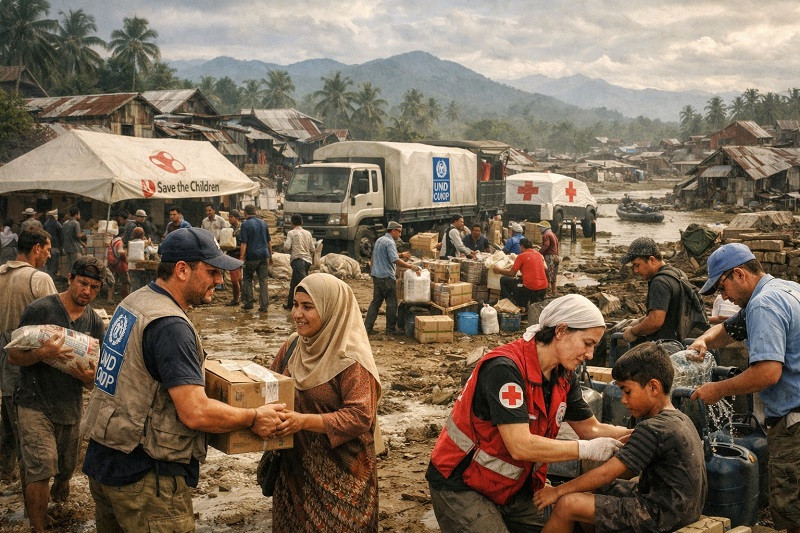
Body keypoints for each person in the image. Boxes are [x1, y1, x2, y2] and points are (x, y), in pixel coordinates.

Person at [81, 227, 284, 531]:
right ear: (182, 270)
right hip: (146, 480)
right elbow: (195, 412)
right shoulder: (171, 327)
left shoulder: (134, 302)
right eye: (212, 272)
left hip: (106, 461)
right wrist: (253, 416)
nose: (219, 281)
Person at [426, 294, 630, 533]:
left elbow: (590, 428)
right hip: (461, 484)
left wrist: (637, 434)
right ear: (561, 330)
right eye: (587, 343)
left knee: (564, 524)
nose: (590, 355)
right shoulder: (505, 369)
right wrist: (587, 448)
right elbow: (520, 445)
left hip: (511, 487)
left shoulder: (563, 376)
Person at [534, 342, 707, 533]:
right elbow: (622, 473)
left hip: (661, 516)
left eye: (627, 391)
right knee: (591, 489)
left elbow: (607, 473)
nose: (623, 399)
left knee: (568, 503)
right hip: (683, 510)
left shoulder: (652, 428)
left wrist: (557, 491)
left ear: (653, 387)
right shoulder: (679, 419)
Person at [689, 243, 800, 533]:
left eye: (722, 287)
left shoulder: (764, 304)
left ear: (738, 274)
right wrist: (703, 341)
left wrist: (720, 389)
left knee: (790, 507)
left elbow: (767, 373)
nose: (723, 297)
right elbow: (728, 330)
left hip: (795, 423)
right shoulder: (785, 288)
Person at [270, 272, 382, 532]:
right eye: (296, 305)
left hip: (342, 478)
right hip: (294, 473)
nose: (297, 314)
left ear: (332, 310)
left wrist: (303, 422)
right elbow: (270, 387)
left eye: (308, 307)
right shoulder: (293, 346)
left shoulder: (351, 360)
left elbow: (360, 416)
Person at [8, 256, 107, 533]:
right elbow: (14, 356)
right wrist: (42, 353)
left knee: (65, 468)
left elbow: (93, 378)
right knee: (42, 466)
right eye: (83, 283)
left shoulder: (95, 323)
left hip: (69, 406)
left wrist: (89, 380)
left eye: (94, 287)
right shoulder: (41, 310)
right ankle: (38, 527)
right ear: (70, 279)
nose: (87, 291)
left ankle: (56, 488)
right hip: (33, 401)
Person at [0, 227, 56, 482]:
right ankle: (29, 491)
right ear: (36, 249)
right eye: (46, 249)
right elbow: (58, 325)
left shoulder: (1, 274)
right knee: (28, 429)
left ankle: (5, 471)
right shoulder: (39, 279)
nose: (48, 255)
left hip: (4, 356)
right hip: (28, 358)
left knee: (9, 415)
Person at [619, 237, 687, 345]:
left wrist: (633, 331)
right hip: (681, 340)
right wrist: (640, 321)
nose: (635, 271)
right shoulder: (678, 274)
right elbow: (671, 311)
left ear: (652, 260)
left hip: (667, 347)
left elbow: (655, 321)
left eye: (637, 265)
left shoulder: (659, 282)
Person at [364, 221, 421, 335]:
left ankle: (367, 328)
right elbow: (394, 260)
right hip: (386, 277)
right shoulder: (390, 242)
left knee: (376, 303)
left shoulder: (380, 240)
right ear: (393, 230)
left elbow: (379, 256)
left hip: (377, 276)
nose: (400, 234)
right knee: (392, 304)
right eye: (399, 232)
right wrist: (411, 266)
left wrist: (401, 255)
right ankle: (390, 329)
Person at [492, 237, 548, 307]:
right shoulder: (539, 255)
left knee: (503, 280)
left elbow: (512, 273)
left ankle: (514, 303)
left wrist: (499, 270)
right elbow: (545, 268)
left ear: (521, 246)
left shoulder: (521, 256)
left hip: (530, 289)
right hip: (543, 288)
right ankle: (525, 305)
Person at [239, 204, 271, 312]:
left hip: (252, 256)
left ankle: (248, 303)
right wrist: (270, 256)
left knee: (247, 279)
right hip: (264, 255)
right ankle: (264, 305)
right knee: (263, 280)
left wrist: (241, 257)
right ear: (255, 212)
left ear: (245, 213)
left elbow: (244, 243)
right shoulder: (263, 223)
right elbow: (268, 241)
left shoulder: (245, 225)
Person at [283, 213, 315, 310]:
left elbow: (286, 247)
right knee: (294, 284)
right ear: (302, 222)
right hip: (307, 261)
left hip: (297, 261)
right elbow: (313, 249)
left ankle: (312, 303)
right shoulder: (308, 233)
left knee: (304, 284)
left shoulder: (291, 233)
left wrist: (291, 250)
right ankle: (290, 305)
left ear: (291, 223)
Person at [225, 210, 243, 307]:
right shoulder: (230, 229)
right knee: (237, 279)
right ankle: (240, 297)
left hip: (239, 255)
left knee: (235, 280)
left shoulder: (242, 229)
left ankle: (236, 299)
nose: (229, 219)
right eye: (229, 217)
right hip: (232, 255)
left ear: (236, 218)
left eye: (231, 217)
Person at [538, 221, 560, 297]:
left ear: (543, 228)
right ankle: (554, 293)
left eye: (540, 228)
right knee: (553, 277)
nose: (539, 230)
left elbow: (546, 245)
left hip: (549, 257)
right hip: (556, 257)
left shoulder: (546, 235)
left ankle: (547, 293)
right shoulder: (553, 234)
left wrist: (539, 252)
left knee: (547, 275)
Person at [106, 232, 129, 303]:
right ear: (123, 234)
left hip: (113, 265)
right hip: (120, 265)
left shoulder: (112, 242)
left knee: (112, 282)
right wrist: (126, 257)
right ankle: (125, 299)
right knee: (125, 282)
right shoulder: (119, 242)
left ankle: (110, 299)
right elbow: (120, 252)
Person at [61, 207, 85, 272]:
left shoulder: (65, 223)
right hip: (74, 248)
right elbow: (78, 235)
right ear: (76, 215)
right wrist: (85, 233)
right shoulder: (76, 223)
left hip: (66, 247)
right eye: (79, 214)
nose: (80, 216)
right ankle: (73, 280)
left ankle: (69, 281)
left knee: (69, 266)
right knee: (75, 266)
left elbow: (66, 235)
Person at [127, 227, 149, 292]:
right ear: (142, 234)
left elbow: (127, 253)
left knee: (133, 285)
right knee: (141, 286)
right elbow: (147, 254)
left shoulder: (130, 243)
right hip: (141, 267)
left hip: (131, 267)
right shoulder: (144, 243)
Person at [43, 209, 63, 280]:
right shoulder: (58, 225)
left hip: (47, 246)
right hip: (55, 247)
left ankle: (48, 276)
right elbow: (61, 237)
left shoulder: (45, 224)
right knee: (55, 263)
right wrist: (61, 247)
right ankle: (52, 277)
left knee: (48, 263)